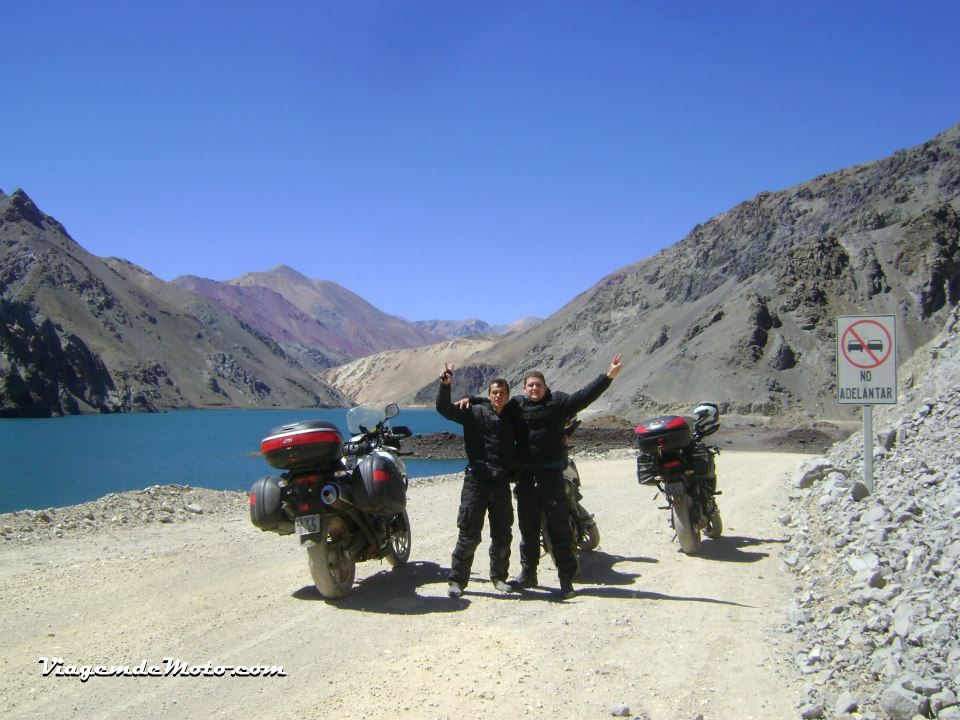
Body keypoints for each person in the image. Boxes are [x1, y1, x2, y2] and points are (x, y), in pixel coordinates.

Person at [509, 354, 623, 599]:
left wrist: (608, 377)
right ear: (524, 388)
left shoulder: (558, 403)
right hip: (526, 478)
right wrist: (466, 400)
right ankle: (528, 574)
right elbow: (492, 405)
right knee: (527, 530)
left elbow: (583, 397)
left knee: (559, 529)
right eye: (530, 385)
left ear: (545, 386)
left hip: (552, 476)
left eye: (538, 385)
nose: (534, 389)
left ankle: (566, 580)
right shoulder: (516, 406)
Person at [436, 363, 517, 598]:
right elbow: (444, 409)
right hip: (476, 480)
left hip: (501, 482)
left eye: (502, 393)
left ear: (508, 396)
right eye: (494, 393)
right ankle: (457, 581)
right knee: (469, 533)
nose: (498, 396)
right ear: (489, 394)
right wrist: (446, 385)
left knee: (502, 533)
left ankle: (499, 577)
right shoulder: (473, 412)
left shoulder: (513, 416)